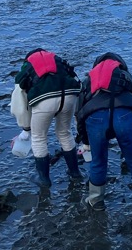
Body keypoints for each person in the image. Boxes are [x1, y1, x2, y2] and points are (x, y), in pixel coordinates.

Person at [75, 52, 132, 209]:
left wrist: (85, 141)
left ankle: (96, 200)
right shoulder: (126, 77)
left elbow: (79, 113)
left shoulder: (89, 80)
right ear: (120, 65)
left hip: (95, 117)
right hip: (125, 116)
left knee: (98, 161)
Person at [13, 48, 83, 187]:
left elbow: (20, 105)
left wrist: (26, 130)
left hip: (45, 100)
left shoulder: (26, 68)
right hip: (69, 95)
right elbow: (76, 79)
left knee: (39, 137)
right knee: (64, 132)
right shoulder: (59, 60)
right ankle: (75, 173)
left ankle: (44, 179)